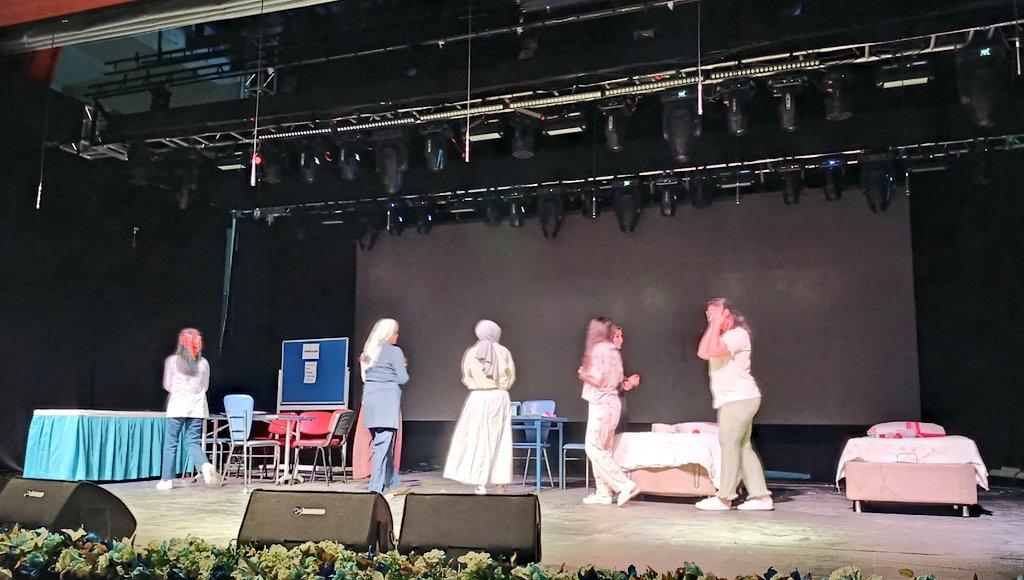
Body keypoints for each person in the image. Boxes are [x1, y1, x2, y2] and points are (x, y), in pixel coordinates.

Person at [695, 298, 772, 511]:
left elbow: (715, 351)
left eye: (713, 313)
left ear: (726, 313)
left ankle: (724, 498)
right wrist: (712, 325)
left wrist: (714, 324)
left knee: (728, 443)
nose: (710, 317)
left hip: (739, 398)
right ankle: (761, 497)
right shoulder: (722, 336)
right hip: (735, 398)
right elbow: (702, 352)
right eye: (708, 314)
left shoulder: (738, 334)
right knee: (742, 447)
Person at [443, 320, 516, 494]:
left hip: (477, 397)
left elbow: (466, 376)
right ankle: (500, 481)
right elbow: (511, 375)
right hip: (498, 396)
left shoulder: (471, 352)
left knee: (476, 436)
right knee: (500, 438)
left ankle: (479, 481)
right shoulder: (503, 351)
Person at [577, 317, 641, 507]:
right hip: (612, 403)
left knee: (593, 447)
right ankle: (603, 492)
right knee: (603, 450)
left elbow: (599, 380)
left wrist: (583, 374)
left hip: (601, 403)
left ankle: (624, 484)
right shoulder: (614, 352)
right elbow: (618, 378)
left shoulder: (599, 350)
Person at [157, 328, 220, 490]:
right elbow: (205, 386)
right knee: (192, 441)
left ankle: (166, 480)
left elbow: (167, 385)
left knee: (171, 444)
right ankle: (205, 465)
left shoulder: (172, 361)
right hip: (197, 407)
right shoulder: (204, 363)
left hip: (177, 406)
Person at [360, 318, 410, 496]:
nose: (397, 335)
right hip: (386, 401)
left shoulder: (368, 352)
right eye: (395, 332)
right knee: (382, 445)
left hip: (370, 400)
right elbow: (403, 378)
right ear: (388, 333)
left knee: (383, 443)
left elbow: (365, 377)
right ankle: (375, 487)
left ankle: (393, 484)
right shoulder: (394, 351)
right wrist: (402, 366)